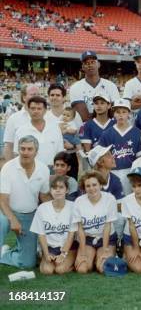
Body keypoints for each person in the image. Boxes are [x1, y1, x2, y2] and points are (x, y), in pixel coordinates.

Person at [0, 136, 50, 268]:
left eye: (29, 149)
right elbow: (2, 199)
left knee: (28, 263)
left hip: (30, 215)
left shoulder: (43, 169)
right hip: (6, 213)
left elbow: (44, 197)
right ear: (18, 150)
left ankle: (5, 254)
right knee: (1, 222)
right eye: (22, 149)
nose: (25, 152)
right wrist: (13, 219)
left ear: (36, 152)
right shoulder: (8, 168)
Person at [30, 175, 78, 275]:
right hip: (50, 248)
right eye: (54, 188)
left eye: (61, 187)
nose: (57, 190)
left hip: (68, 248)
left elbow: (71, 234)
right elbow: (41, 234)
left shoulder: (73, 207)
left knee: (60, 270)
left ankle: (72, 261)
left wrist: (63, 254)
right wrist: (46, 254)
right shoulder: (42, 208)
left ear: (67, 190)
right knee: (47, 271)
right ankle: (43, 257)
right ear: (50, 190)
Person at [73, 170, 118, 274]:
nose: (91, 188)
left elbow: (107, 227)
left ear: (101, 185)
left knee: (103, 268)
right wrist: (83, 251)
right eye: (88, 186)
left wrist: (106, 250)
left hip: (106, 238)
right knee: (82, 269)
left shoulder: (110, 199)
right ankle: (91, 258)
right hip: (88, 239)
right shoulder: (79, 201)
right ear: (84, 188)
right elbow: (80, 229)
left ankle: (99, 257)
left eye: (94, 184)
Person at [97, 99, 141, 195]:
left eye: (124, 112)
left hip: (131, 172)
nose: (121, 115)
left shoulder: (137, 133)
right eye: (118, 112)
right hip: (112, 173)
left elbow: (140, 159)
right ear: (114, 114)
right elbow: (100, 157)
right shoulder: (107, 134)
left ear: (129, 113)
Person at [69, 51, 120, 122]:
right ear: (83, 67)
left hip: (109, 128)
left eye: (93, 62)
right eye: (87, 63)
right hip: (85, 129)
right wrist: (104, 115)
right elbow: (84, 116)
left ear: (98, 64)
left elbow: (116, 110)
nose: (90, 65)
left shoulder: (111, 85)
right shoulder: (75, 87)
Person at [14, 96, 64, 168]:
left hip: (52, 170)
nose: (36, 111)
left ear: (45, 110)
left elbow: (60, 152)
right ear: (28, 110)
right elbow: (17, 154)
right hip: (30, 170)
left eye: (39, 109)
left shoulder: (55, 128)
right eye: (33, 108)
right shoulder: (21, 131)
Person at [2, 83, 40, 162]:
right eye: (33, 94)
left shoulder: (47, 117)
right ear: (24, 97)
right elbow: (9, 146)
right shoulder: (14, 119)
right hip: (20, 165)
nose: (36, 97)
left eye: (38, 94)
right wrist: (11, 167)